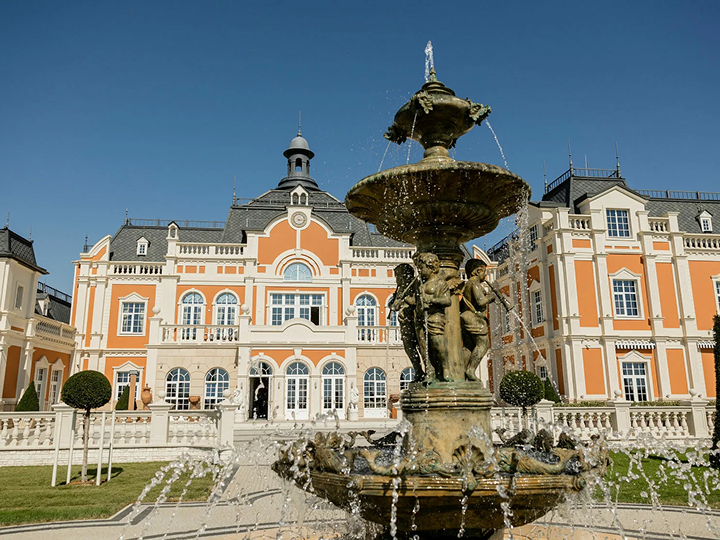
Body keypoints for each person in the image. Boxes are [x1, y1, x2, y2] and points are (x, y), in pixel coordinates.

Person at [413, 252, 452, 381]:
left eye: (422, 268)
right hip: (420, 318)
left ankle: (446, 368)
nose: (420, 271)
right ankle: (429, 370)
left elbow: (447, 300)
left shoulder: (440, 283)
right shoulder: (421, 285)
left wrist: (432, 300)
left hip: (434, 317)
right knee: (423, 346)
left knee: (438, 344)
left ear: (431, 267)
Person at [461, 259, 495, 382]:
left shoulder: (467, 285)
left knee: (468, 346)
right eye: (484, 272)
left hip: (466, 318)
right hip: (475, 319)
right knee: (483, 344)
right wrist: (491, 297)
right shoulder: (474, 283)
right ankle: (471, 370)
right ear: (477, 271)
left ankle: (462, 371)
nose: (485, 275)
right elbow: (481, 301)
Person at [390, 263, 425, 382]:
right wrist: (395, 300)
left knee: (422, 347)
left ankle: (429, 371)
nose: (396, 279)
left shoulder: (415, 284)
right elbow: (392, 306)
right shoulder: (401, 289)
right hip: (404, 321)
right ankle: (418, 371)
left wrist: (405, 299)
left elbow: (418, 300)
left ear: (404, 275)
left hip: (415, 321)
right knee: (409, 348)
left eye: (397, 276)